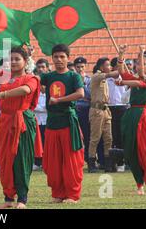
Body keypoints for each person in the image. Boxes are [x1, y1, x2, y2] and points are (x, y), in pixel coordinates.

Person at [0, 38, 40, 209]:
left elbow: (26, 90)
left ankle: (22, 199)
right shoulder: (5, 79)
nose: (13, 62)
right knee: (5, 160)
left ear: (25, 61)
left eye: (17, 59)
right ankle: (8, 198)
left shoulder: (31, 78)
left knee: (21, 158)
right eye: (10, 59)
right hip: (5, 121)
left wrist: (4, 95)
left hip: (22, 121)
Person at [41, 44, 85, 204]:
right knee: (53, 161)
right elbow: (32, 78)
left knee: (71, 160)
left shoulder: (73, 76)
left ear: (67, 58)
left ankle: (72, 195)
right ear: (51, 58)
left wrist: (59, 100)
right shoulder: (48, 76)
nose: (59, 60)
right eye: (56, 57)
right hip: (52, 122)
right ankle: (58, 193)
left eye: (62, 57)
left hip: (68, 122)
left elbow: (80, 93)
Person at [117, 45, 146, 196]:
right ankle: (139, 184)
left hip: (145, 117)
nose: (139, 66)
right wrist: (121, 56)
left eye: (143, 63)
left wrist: (141, 52)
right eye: (138, 63)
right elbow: (122, 72)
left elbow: (139, 83)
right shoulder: (132, 78)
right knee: (131, 150)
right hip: (131, 116)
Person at [88, 57, 119, 173]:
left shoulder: (105, 78)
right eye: (107, 65)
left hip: (106, 110)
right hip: (97, 110)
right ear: (101, 67)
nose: (110, 67)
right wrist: (121, 66)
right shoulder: (97, 76)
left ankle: (108, 164)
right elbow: (114, 74)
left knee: (108, 138)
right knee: (95, 138)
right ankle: (91, 163)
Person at [108, 58, 129, 161]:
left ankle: (126, 159)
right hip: (111, 108)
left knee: (123, 133)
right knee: (113, 134)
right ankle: (116, 160)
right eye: (117, 66)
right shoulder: (107, 80)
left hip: (122, 107)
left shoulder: (127, 79)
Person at [74, 57, 93, 163]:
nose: (80, 69)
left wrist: (82, 84)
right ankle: (77, 157)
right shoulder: (72, 79)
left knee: (87, 134)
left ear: (86, 67)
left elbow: (90, 95)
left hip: (86, 109)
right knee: (75, 134)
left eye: (82, 67)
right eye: (78, 67)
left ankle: (87, 157)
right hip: (75, 108)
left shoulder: (89, 80)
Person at [33, 58, 49, 170]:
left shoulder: (52, 82)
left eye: (43, 67)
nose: (41, 69)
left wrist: (44, 107)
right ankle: (37, 162)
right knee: (36, 141)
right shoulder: (33, 83)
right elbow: (32, 104)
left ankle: (47, 162)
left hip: (48, 118)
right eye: (39, 67)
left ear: (47, 68)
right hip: (36, 118)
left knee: (47, 141)